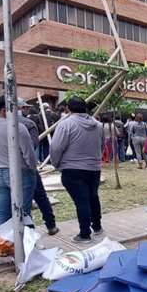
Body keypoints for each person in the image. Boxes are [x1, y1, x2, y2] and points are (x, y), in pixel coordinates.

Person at [50, 95, 103, 243]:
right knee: (93, 196)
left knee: (82, 201)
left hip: (73, 168)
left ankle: (85, 234)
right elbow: (101, 146)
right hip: (93, 168)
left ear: (68, 108)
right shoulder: (98, 125)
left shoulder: (66, 124)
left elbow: (55, 147)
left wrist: (56, 163)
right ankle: (97, 226)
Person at [0, 96, 37, 228]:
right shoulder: (18, 127)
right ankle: (24, 244)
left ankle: (1, 244)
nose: (18, 112)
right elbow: (28, 153)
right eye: (15, 108)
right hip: (20, 172)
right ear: (5, 110)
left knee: (1, 213)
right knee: (23, 213)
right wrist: (32, 169)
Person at [17, 101, 57, 235]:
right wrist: (31, 165)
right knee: (38, 197)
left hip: (5, 169)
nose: (27, 110)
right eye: (25, 108)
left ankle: (13, 236)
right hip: (26, 167)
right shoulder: (28, 124)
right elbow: (32, 145)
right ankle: (48, 226)